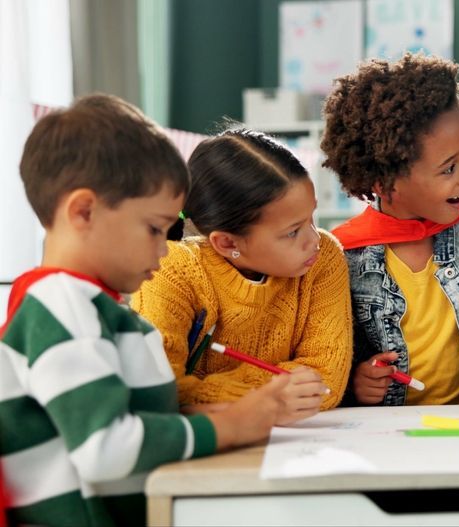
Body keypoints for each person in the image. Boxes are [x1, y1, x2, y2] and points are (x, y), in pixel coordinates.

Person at [1, 94, 287, 526]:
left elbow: (125, 416)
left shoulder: (94, 307)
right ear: (83, 211)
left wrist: (202, 415)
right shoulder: (62, 304)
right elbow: (104, 447)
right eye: (154, 229)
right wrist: (228, 429)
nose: (164, 250)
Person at [321, 53, 459, 406]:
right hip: (388, 437)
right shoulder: (341, 258)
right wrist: (354, 385)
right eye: (449, 168)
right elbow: (326, 363)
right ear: (385, 180)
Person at [132, 129, 352, 423]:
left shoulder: (323, 256)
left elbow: (326, 381)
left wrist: (209, 391)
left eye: (311, 217)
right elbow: (161, 391)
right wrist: (272, 396)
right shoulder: (172, 271)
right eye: (292, 232)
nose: (313, 239)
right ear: (228, 244)